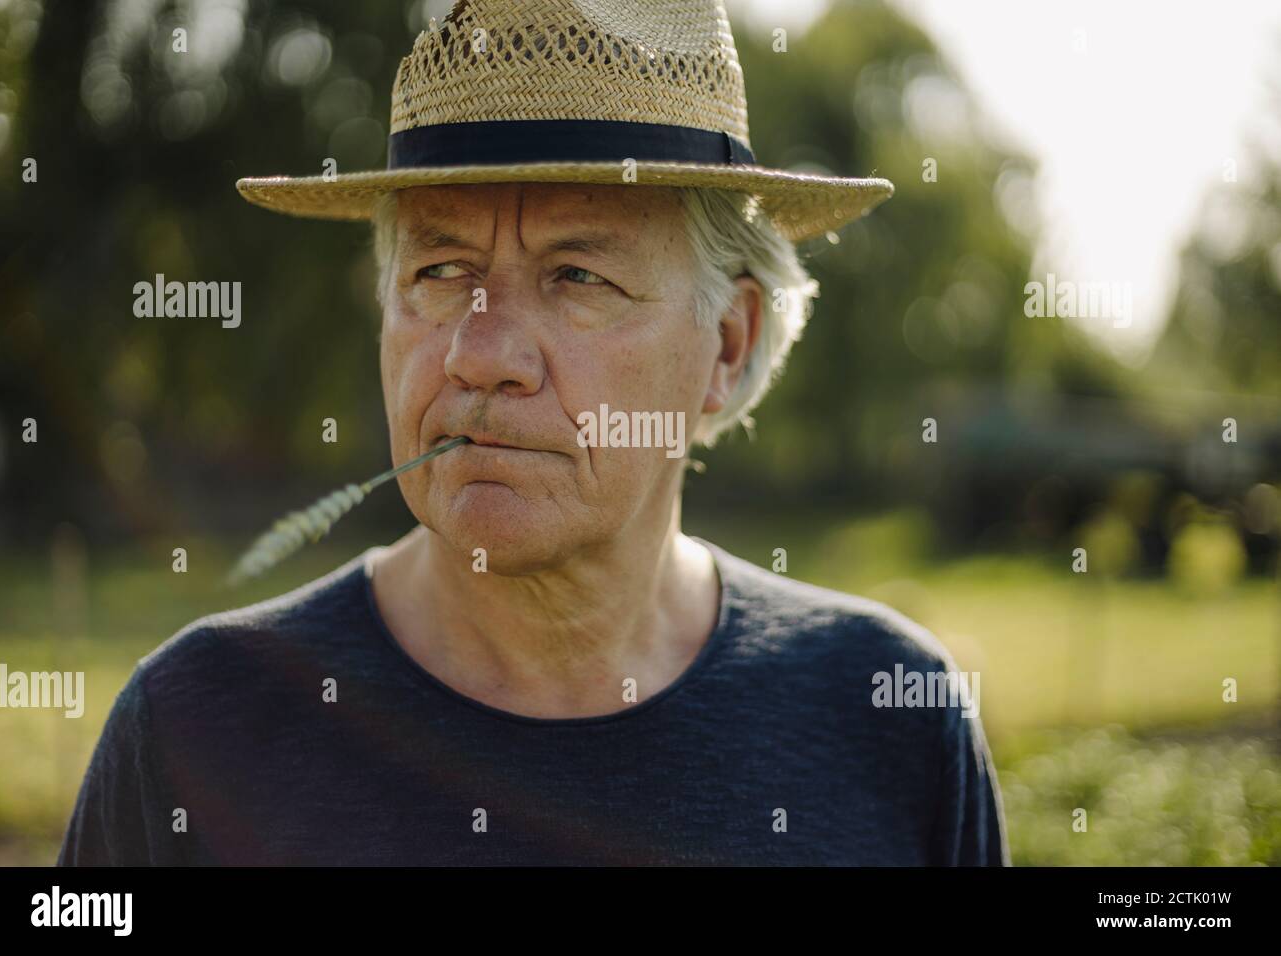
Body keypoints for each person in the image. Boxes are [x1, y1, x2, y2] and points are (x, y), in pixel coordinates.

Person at [59, 0, 1008, 866]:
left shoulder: (890, 717)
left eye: (577, 277)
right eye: (438, 269)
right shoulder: (195, 727)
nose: (481, 353)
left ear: (727, 344)